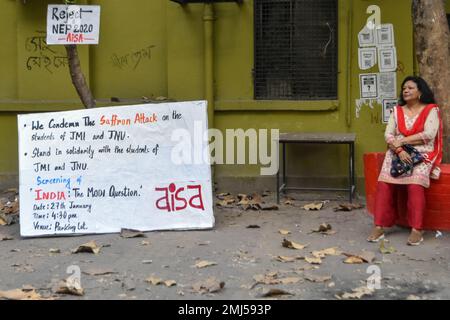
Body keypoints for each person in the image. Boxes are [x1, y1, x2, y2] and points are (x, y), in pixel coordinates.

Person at [367, 76, 443, 246]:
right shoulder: (397, 110)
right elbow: (388, 135)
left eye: (410, 88)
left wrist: (402, 141)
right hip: (396, 152)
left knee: (415, 186)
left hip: (422, 154)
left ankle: (417, 229)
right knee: (384, 185)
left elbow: (429, 134)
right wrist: (399, 149)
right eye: (404, 88)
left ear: (420, 91)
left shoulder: (431, 110)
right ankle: (379, 226)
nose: (406, 91)